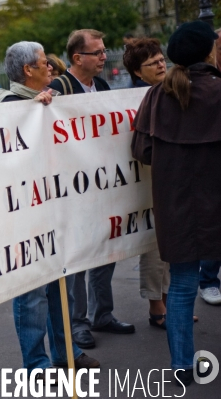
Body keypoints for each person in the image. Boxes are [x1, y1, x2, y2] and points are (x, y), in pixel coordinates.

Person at [0, 41, 100, 375]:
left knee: (61, 286)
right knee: (31, 294)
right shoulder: (8, 107)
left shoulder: (46, 103)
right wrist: (34, 115)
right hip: (24, 217)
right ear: (28, 70)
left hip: (52, 209)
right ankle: (36, 364)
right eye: (44, 63)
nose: (51, 68)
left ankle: (64, 351)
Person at [131, 20, 221, 386]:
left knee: (182, 287)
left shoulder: (155, 96)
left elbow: (143, 150)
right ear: (209, 51)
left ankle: (181, 365)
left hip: (176, 207)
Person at [48, 29, 135, 350]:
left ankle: (103, 315)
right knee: (78, 259)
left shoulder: (99, 85)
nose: (103, 57)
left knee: (104, 252)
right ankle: (78, 323)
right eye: (97, 52)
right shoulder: (57, 89)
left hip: (100, 186)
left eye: (103, 51)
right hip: (72, 192)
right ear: (77, 58)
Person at [122, 38, 170, 328]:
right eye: (152, 62)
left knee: (170, 246)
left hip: (167, 180)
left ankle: (168, 301)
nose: (161, 64)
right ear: (138, 72)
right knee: (153, 245)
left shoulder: (166, 91)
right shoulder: (134, 98)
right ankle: (157, 306)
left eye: (162, 59)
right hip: (146, 180)